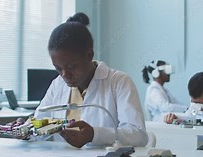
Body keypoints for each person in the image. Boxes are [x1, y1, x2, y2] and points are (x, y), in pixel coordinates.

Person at [19, 12, 148, 148]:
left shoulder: (119, 82)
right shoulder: (58, 84)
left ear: (89, 55)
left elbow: (138, 136)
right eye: (58, 68)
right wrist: (26, 129)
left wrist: (94, 134)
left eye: (71, 66)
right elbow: (40, 123)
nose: (64, 75)